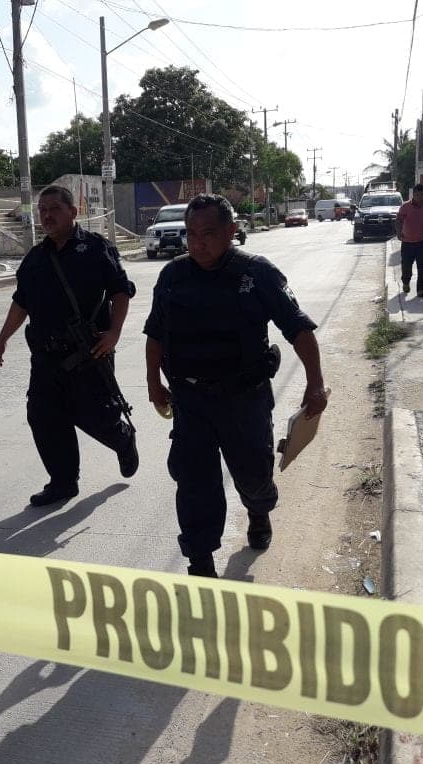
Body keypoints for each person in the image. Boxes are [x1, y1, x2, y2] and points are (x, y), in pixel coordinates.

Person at [143, 193, 329, 578]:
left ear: (231, 231)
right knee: (194, 482)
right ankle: (200, 562)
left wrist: (315, 383)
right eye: (191, 233)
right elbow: (155, 334)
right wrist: (153, 383)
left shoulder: (256, 274)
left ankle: (258, 511)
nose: (198, 243)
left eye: (209, 233)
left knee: (254, 476)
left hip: (244, 399)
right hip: (190, 400)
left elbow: (299, 329)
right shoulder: (173, 276)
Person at [0, 185, 138, 507]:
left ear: (73, 212)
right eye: (42, 210)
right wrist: (2, 340)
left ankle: (122, 438)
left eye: (54, 208)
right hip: (46, 357)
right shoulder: (35, 258)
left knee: (95, 415)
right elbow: (21, 303)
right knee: (44, 416)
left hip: (89, 353)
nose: (47, 215)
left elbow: (120, 291)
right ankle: (63, 482)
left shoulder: (95, 248)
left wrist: (114, 333)